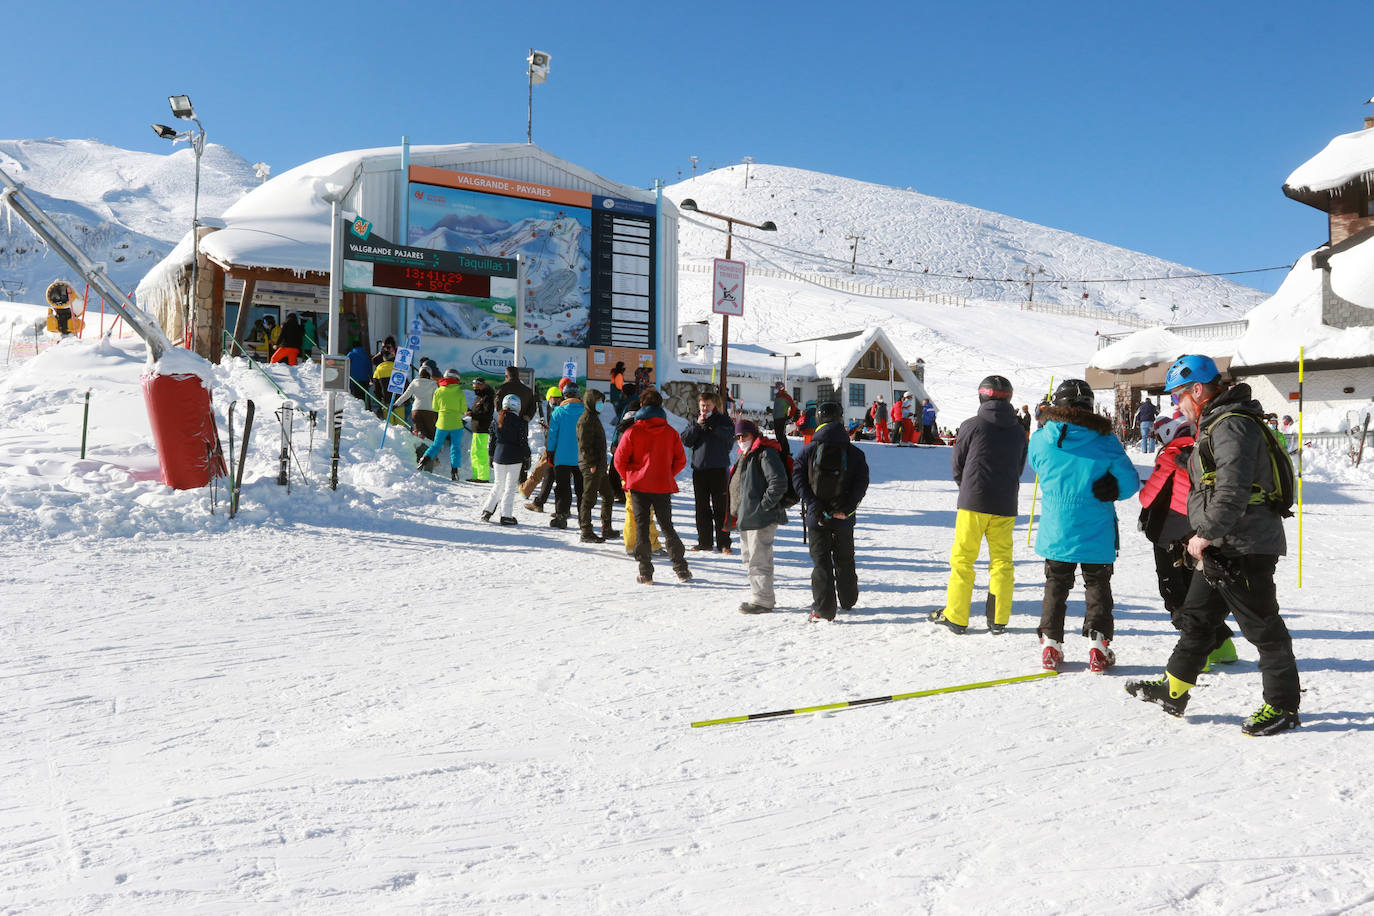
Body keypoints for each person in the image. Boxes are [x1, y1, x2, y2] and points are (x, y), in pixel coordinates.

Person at [1127, 355, 1301, 736]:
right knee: (1198, 619)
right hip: (1223, 543)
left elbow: (1232, 491)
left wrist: (1204, 533)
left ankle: (1283, 706)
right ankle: (1174, 690)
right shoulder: (1217, 423)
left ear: (1198, 389)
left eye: (1179, 396)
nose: (1177, 405)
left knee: (1263, 627)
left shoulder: (1232, 426)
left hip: (1244, 544)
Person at [1029, 378, 1140, 671]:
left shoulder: (1042, 438)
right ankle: (1098, 647)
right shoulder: (1105, 440)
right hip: (1097, 527)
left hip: (1057, 527)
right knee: (1098, 586)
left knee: (1055, 584)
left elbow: (1037, 465)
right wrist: (1113, 487)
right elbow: (1129, 484)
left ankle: (1050, 646)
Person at [1135, 414, 1238, 667]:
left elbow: (1148, 498)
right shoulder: (1210, 452)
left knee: (1176, 593)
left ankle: (1195, 655)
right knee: (1201, 593)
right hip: (1204, 533)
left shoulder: (1170, 455)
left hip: (1169, 533)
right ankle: (1224, 648)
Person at [929, 375, 1027, 635]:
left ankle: (957, 617)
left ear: (982, 396)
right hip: (1005, 504)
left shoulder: (972, 425)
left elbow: (957, 465)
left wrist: (969, 488)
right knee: (1002, 562)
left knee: (963, 560)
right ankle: (998, 619)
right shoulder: (1018, 429)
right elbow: (1019, 467)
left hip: (974, 501)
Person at [793, 401, 870, 621]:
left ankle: (823, 609)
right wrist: (847, 508)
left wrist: (813, 504)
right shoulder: (855, 453)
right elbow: (861, 483)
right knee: (845, 558)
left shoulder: (807, 450)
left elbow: (798, 481)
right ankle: (848, 599)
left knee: (822, 561)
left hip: (817, 516)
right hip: (844, 517)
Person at [613, 388, 691, 584]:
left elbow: (619, 461)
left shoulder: (632, 431)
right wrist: (665, 474)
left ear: (641, 406)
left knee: (641, 528)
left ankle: (645, 573)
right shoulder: (671, 432)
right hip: (662, 486)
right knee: (667, 527)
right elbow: (681, 460)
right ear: (660, 406)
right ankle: (681, 569)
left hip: (638, 486)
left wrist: (629, 477)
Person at [727, 419, 789, 614]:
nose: (740, 439)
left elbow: (778, 482)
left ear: (753, 434)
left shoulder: (765, 452)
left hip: (760, 517)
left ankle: (762, 600)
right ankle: (761, 595)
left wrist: (764, 507)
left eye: (744, 435)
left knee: (758, 559)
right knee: (750, 559)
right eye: (737, 437)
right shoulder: (746, 454)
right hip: (747, 517)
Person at [680, 390, 735, 554]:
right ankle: (704, 541)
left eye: (708, 405)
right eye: (702, 405)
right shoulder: (695, 421)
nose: (704, 408)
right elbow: (686, 440)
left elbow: (729, 436)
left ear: (714, 405)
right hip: (700, 469)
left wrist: (713, 427)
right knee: (701, 507)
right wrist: (697, 426)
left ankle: (724, 542)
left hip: (718, 468)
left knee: (720, 507)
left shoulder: (723, 420)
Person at [613, 405, 662, 556]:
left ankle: (630, 544)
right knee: (647, 512)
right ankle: (653, 544)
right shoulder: (639, 430)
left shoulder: (624, 428)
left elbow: (618, 457)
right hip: (642, 478)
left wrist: (625, 477)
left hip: (628, 478)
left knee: (631, 511)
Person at [480, 394, 530, 525]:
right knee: (509, 487)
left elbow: (492, 440)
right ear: (517, 406)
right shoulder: (519, 422)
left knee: (498, 485)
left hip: (498, 456)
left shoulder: (496, 420)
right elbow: (523, 442)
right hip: (514, 457)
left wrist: (491, 455)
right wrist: (527, 456)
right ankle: (506, 516)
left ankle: (487, 510)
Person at [577, 388, 618, 543]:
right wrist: (592, 463)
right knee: (588, 499)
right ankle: (586, 530)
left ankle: (606, 527)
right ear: (591, 402)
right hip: (591, 466)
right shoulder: (586, 420)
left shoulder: (594, 417)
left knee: (608, 495)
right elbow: (584, 445)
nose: (601, 404)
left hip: (599, 466)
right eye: (598, 401)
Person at [545, 383, 585, 529]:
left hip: (562, 457)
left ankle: (561, 517)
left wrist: (550, 452)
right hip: (582, 458)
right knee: (582, 489)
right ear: (578, 395)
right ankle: (584, 520)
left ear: (565, 395)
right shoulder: (586, 412)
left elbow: (552, 436)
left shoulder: (558, 412)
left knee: (562, 487)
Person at [418, 369, 467, 480]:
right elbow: (463, 409)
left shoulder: (438, 391)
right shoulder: (459, 392)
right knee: (455, 447)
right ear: (456, 379)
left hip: (442, 423)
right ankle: (454, 471)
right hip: (456, 423)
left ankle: (423, 460)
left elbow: (435, 407)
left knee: (436, 445)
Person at [525, 386, 566, 513]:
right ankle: (541, 502)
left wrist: (550, 446)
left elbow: (557, 429)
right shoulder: (553, 407)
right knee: (550, 474)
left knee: (553, 475)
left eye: (558, 398)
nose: (556, 400)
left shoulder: (558, 410)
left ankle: (560, 509)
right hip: (558, 447)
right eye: (554, 398)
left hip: (556, 447)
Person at [395, 366, 439, 457]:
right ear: (430, 374)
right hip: (430, 411)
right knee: (431, 433)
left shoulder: (415, 382)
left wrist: (396, 404)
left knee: (419, 434)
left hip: (416, 410)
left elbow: (406, 395)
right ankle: (432, 457)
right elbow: (437, 398)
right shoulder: (433, 384)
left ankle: (420, 456)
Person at [468, 377, 496, 483]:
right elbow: (478, 412)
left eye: (477, 387)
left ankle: (483, 477)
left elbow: (487, 414)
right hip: (476, 429)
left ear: (483, 385)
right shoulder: (478, 397)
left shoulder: (488, 397)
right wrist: (470, 412)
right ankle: (476, 475)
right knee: (474, 453)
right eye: (474, 387)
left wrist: (473, 414)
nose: (475, 389)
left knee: (481, 453)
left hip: (483, 429)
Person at [770, 383, 799, 457]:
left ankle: (785, 452)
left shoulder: (786, 396)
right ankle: (782, 450)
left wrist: (790, 416)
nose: (776, 389)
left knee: (781, 435)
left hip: (782, 418)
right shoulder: (777, 397)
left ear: (781, 388)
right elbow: (777, 409)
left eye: (777, 387)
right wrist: (771, 410)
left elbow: (793, 406)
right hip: (776, 418)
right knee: (778, 435)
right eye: (776, 387)